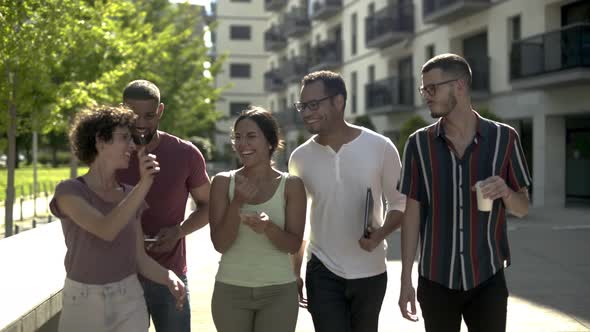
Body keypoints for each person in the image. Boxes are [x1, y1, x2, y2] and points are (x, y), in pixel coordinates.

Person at [397, 53, 532, 332]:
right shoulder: (418, 144)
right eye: (424, 89)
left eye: (432, 88)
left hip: (488, 279)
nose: (426, 96)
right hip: (436, 280)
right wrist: (405, 279)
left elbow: (523, 207)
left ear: (459, 85)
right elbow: (411, 215)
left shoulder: (505, 138)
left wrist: (506, 192)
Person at [288, 70, 406, 332]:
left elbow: (400, 203)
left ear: (338, 101)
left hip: (370, 270)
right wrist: (294, 271)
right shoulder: (299, 158)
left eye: (313, 105)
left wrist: (380, 234)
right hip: (321, 269)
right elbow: (298, 221)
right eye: (302, 106)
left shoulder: (381, 147)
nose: (306, 112)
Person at [50, 105, 186, 332]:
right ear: (100, 142)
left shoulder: (131, 194)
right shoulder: (69, 192)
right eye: (124, 138)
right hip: (82, 302)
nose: (132, 146)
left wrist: (168, 276)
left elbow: (139, 258)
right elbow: (105, 229)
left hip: (129, 300)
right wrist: (144, 185)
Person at [117, 80, 211, 332]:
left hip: (170, 274)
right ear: (122, 110)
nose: (141, 123)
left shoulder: (186, 154)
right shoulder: (110, 154)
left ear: (160, 111)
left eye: (149, 115)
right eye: (133, 115)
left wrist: (178, 231)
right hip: (119, 277)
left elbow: (208, 206)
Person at [209, 107, 307, 332]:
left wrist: (268, 228)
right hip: (231, 290)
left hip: (279, 291)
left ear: (270, 142)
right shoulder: (223, 183)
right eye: (238, 137)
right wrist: (237, 202)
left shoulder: (292, 185)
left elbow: (293, 245)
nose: (242, 144)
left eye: (251, 136)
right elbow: (220, 244)